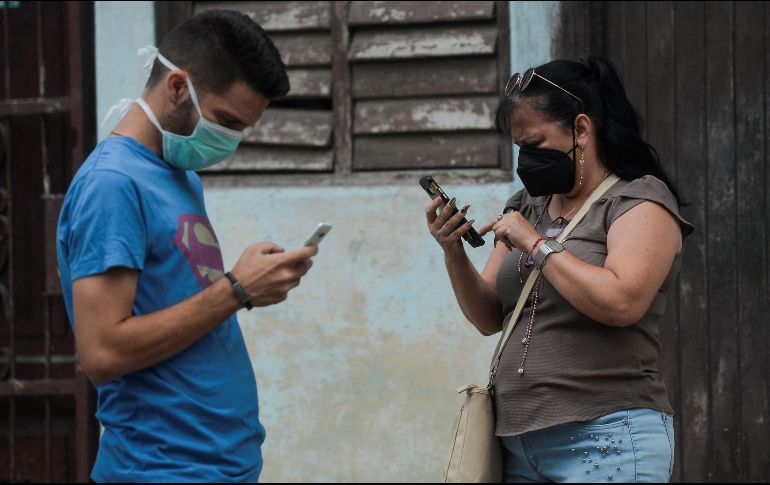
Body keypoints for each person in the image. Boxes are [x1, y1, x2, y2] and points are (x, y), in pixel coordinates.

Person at [56, 10, 317, 482]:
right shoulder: (112, 183)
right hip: (160, 469)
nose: (230, 140)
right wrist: (237, 289)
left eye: (241, 129)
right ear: (177, 86)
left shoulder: (179, 177)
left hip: (217, 466)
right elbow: (102, 353)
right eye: (225, 120)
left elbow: (184, 307)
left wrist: (247, 286)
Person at [425, 56, 693, 483]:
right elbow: (488, 317)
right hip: (518, 445)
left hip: (607, 438)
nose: (525, 160)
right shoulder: (527, 205)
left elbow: (622, 303)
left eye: (534, 143)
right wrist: (453, 250)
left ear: (581, 130)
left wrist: (535, 244)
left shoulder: (638, 201)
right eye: (519, 147)